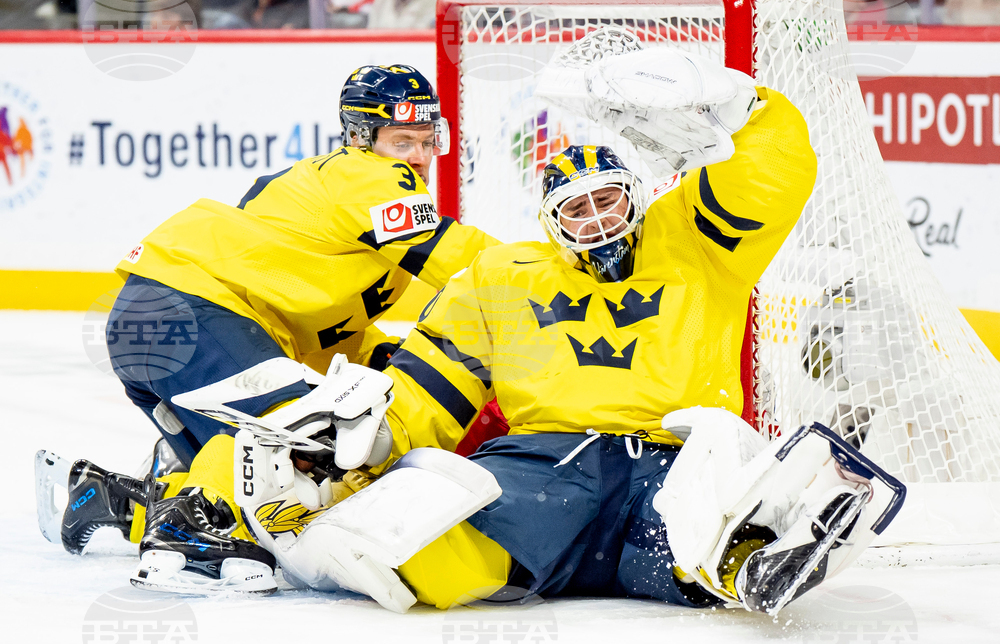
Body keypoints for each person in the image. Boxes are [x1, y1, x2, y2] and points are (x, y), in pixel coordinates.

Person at [195, 39, 902, 614]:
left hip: (671, 455)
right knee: (433, 540)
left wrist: (742, 104)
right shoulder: (503, 277)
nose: (597, 221)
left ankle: (752, 562)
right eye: (577, 210)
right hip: (546, 463)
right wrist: (380, 435)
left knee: (695, 529)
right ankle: (322, 549)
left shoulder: (695, 243)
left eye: (608, 201)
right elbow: (434, 386)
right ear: (550, 224)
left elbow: (769, 180)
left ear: (636, 197)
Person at [38, 64, 499, 591]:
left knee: (270, 483)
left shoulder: (329, 204)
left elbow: (323, 331)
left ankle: (116, 501)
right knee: (287, 441)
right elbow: (475, 266)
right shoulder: (366, 176)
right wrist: (565, 273)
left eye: (427, 139)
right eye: (401, 140)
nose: (418, 157)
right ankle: (183, 542)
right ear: (359, 138)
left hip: (151, 320)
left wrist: (384, 362)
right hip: (193, 312)